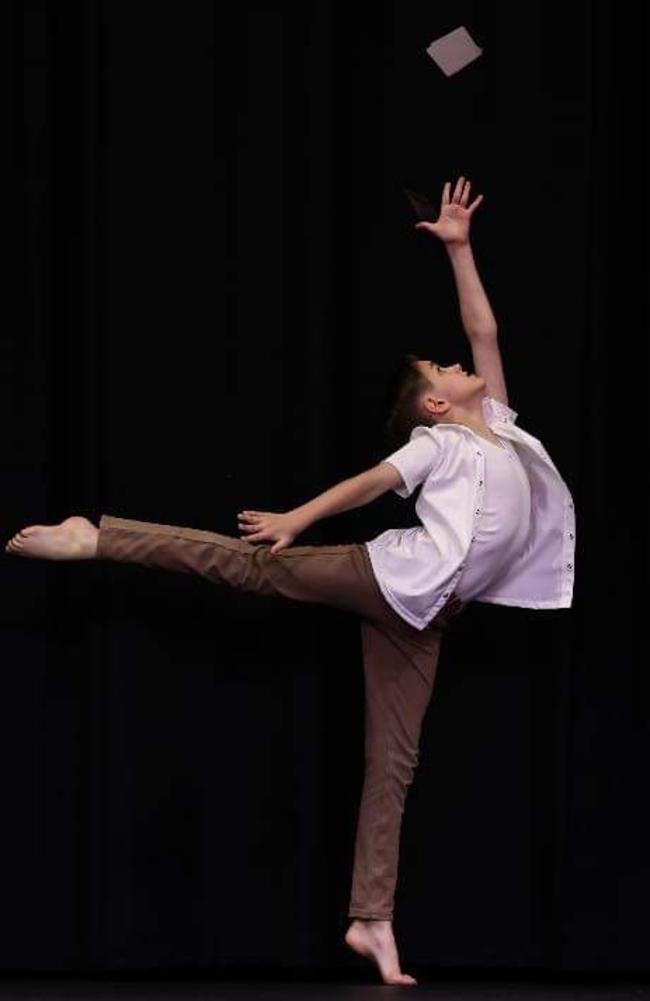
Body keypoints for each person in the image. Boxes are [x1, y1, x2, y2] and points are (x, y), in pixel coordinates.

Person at [4, 176, 575, 987]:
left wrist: (460, 248)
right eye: (440, 366)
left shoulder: (501, 427)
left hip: (427, 614)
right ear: (438, 405)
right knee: (247, 565)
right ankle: (98, 537)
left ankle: (371, 918)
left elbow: (484, 325)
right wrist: (300, 519)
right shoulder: (439, 447)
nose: (457, 358)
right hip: (383, 577)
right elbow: (371, 483)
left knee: (394, 763)